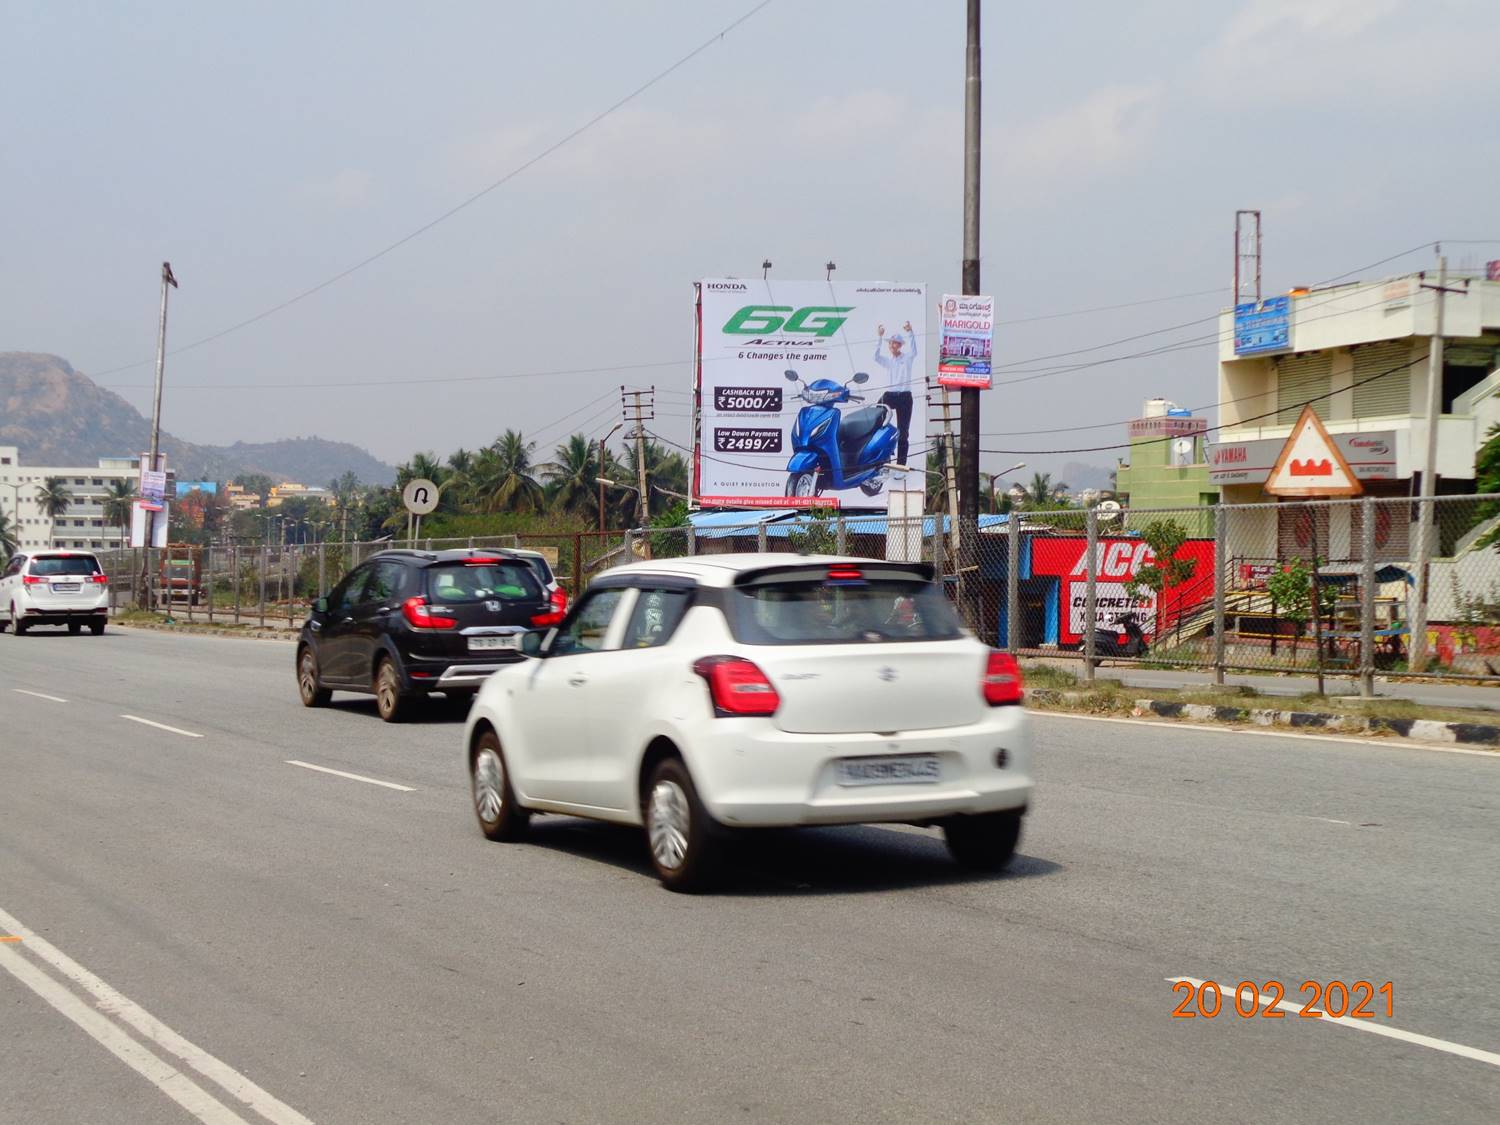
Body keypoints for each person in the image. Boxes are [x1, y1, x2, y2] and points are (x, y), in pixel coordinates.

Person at [874, 321, 916, 464]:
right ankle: (884, 455)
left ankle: (901, 464)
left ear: (900, 345)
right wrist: (880, 337)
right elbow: (875, 357)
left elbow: (914, 350)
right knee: (877, 417)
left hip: (904, 397)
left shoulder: (907, 358)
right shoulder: (888, 361)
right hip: (890, 395)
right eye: (890, 343)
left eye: (895, 343)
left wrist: (910, 332)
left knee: (903, 432)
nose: (892, 345)